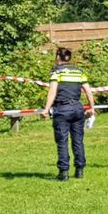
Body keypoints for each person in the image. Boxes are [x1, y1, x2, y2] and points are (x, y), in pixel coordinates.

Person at [40, 47, 96, 181]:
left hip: (62, 109)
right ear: (69, 58)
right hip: (78, 108)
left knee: (62, 142)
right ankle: (80, 170)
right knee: (78, 141)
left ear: (58, 57)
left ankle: (64, 172)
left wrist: (46, 109)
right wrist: (92, 108)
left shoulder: (56, 72)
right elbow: (88, 91)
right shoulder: (79, 72)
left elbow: (52, 92)